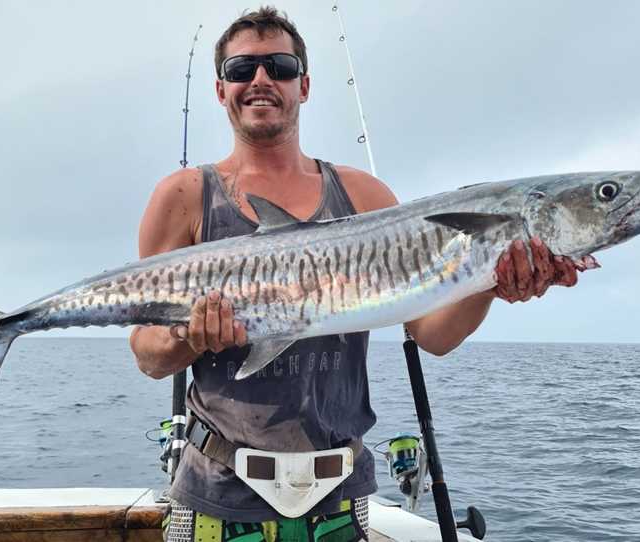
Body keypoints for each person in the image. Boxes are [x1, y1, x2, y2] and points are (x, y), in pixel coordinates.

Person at [130, 7, 579, 541]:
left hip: (337, 499)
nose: (261, 80)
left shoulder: (365, 197)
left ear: (305, 84)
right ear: (220, 89)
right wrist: (190, 337)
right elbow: (148, 354)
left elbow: (431, 334)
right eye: (241, 69)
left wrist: (489, 283)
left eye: (280, 66)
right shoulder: (182, 197)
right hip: (216, 496)